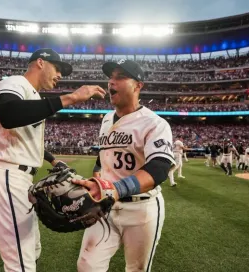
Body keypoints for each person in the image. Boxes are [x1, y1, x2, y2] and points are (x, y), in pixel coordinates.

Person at [0, 48, 106, 272]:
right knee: (20, 262)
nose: (60, 75)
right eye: (57, 69)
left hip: (20, 178)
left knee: (33, 249)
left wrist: (52, 159)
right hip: (8, 176)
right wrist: (72, 97)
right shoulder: (14, 83)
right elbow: (9, 115)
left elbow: (27, 137)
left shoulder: (34, 96)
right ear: (40, 62)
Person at [73, 59, 175, 272]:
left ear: (138, 86)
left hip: (141, 208)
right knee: (87, 266)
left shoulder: (155, 123)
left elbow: (159, 168)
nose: (111, 82)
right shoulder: (106, 119)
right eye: (110, 77)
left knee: (136, 269)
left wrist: (115, 189)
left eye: (120, 77)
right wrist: (97, 185)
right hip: (106, 207)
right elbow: (102, 159)